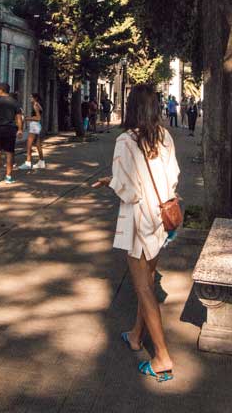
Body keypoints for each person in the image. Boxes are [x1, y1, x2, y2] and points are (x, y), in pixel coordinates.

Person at [93, 84, 180, 383]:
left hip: (138, 221)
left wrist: (111, 182)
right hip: (162, 218)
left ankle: (162, 356)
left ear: (131, 108)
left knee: (142, 288)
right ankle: (135, 334)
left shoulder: (125, 141)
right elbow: (174, 176)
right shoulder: (165, 136)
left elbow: (128, 189)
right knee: (150, 281)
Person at [0, 82, 23, 184]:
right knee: (9, 153)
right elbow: (19, 117)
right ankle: (8, 177)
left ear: (0, 90)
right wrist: (20, 129)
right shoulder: (14, 102)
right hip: (10, 130)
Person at [19, 93, 46, 170]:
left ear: (35, 98)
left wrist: (26, 119)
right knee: (38, 144)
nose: (30, 98)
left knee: (29, 144)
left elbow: (38, 118)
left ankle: (28, 163)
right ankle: (41, 162)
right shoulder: (38, 105)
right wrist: (28, 117)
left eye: (31, 97)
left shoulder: (35, 105)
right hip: (37, 125)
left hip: (34, 125)